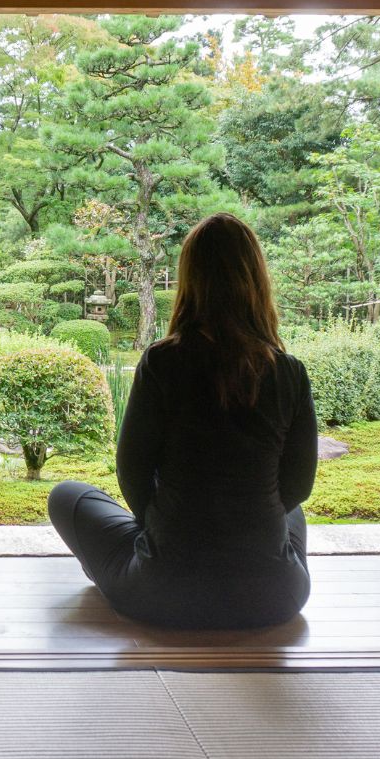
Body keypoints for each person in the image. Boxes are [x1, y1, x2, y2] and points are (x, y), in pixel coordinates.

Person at [47, 212, 318, 630]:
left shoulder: (162, 362)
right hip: (273, 596)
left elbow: (132, 471)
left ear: (190, 279)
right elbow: (298, 485)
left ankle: (125, 568)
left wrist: (166, 528)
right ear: (258, 280)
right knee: (290, 516)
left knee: (66, 495)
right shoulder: (288, 371)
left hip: (162, 591)